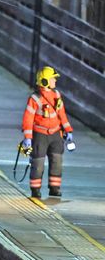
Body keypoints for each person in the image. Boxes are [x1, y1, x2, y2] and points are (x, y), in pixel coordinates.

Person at [21, 66, 74, 198]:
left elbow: (61, 114)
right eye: (53, 79)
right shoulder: (34, 99)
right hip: (40, 135)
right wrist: (28, 137)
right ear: (45, 81)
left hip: (56, 134)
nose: (55, 81)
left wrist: (68, 130)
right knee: (37, 163)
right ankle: (35, 189)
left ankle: (54, 188)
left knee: (57, 160)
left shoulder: (56, 95)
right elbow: (28, 118)